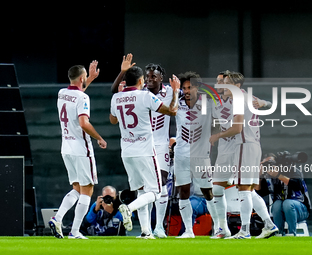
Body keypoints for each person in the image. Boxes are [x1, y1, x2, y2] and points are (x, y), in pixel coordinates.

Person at [109, 64, 180, 239]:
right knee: (155, 192)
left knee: (141, 191)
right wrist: (176, 92)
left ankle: (146, 232)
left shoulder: (117, 98)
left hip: (126, 151)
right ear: (141, 80)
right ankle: (129, 208)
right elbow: (171, 110)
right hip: (145, 150)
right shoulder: (145, 96)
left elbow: (112, 120)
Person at [209, 71, 278, 239]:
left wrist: (216, 136)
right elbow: (267, 104)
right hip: (252, 145)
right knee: (248, 189)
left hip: (244, 145)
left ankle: (245, 231)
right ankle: (269, 225)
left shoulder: (239, 99)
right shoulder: (246, 97)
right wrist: (262, 102)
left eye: (227, 83)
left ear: (237, 85)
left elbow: (237, 128)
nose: (223, 86)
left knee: (244, 189)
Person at [49, 61, 107, 239]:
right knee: (87, 190)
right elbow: (83, 122)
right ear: (81, 78)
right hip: (82, 148)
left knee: (76, 187)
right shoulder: (83, 98)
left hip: (66, 147)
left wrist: (89, 78)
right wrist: (99, 138)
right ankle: (74, 231)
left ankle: (58, 218)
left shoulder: (62, 93)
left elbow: (77, 94)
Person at [174, 71, 217, 239]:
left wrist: (213, 137)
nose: (186, 91)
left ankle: (220, 228)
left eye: (189, 87)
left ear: (197, 88)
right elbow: (169, 111)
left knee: (208, 192)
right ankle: (188, 231)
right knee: (183, 192)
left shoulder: (207, 103)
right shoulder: (177, 103)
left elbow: (218, 121)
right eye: (184, 88)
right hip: (181, 155)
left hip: (201, 155)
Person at [257, 154, 311, 236]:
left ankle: (292, 233)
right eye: (266, 164)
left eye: (271, 163)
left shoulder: (293, 171)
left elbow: (297, 185)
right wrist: (259, 176)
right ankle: (278, 233)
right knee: (277, 204)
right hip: (281, 211)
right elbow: (260, 193)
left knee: (287, 203)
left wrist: (278, 175)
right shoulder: (268, 176)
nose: (270, 166)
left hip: (300, 209)